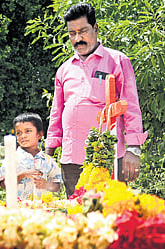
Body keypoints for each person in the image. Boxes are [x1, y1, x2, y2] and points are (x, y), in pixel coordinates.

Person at [45, 3, 147, 196]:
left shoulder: (117, 61)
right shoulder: (64, 69)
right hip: (71, 158)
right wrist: (48, 153)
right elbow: (56, 113)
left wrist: (133, 149)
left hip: (107, 156)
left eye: (83, 31)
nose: (77, 39)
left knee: (110, 214)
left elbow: (131, 107)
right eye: (72, 33)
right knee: (76, 214)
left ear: (96, 28)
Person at [0, 113, 62, 200]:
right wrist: (22, 175)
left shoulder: (48, 161)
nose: (23, 136)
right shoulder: (11, 159)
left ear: (39, 135)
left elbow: (58, 185)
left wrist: (47, 185)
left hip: (42, 208)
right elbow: (3, 184)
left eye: (28, 131)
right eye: (19, 133)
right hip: (19, 209)